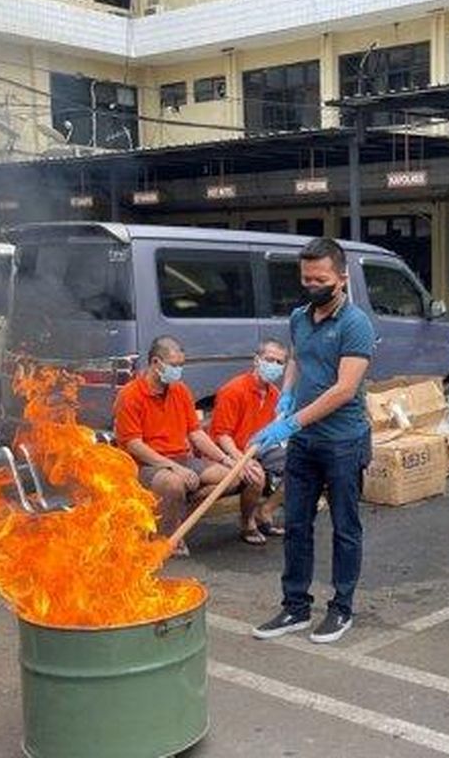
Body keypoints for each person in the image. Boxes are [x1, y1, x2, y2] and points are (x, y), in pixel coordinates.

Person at [250, 237, 375, 645]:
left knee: (345, 527)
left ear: (340, 278)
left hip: (342, 441)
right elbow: (296, 360)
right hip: (304, 441)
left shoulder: (356, 324)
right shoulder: (299, 318)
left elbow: (343, 389)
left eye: (320, 278)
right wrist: (285, 398)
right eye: (306, 278)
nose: (312, 285)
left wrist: (290, 424)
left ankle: (341, 608)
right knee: (297, 524)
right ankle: (295, 606)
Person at [114, 335, 265, 556]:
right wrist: (173, 466)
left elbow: (196, 434)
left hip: (182, 459)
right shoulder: (130, 395)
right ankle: (166, 536)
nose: (178, 370)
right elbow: (134, 445)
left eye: (181, 365)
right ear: (156, 363)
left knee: (236, 476)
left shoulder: (180, 390)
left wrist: (228, 460)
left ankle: (177, 516)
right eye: (174, 365)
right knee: (173, 483)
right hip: (144, 464)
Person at [208, 338, 291, 543]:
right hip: (228, 451)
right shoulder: (233, 390)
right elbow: (221, 435)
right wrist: (241, 459)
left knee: (305, 462)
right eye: (269, 360)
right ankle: (247, 523)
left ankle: (266, 511)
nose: (274, 366)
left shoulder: (274, 394)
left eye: (280, 363)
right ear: (256, 360)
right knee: (255, 474)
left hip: (258, 449)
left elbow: (274, 431)